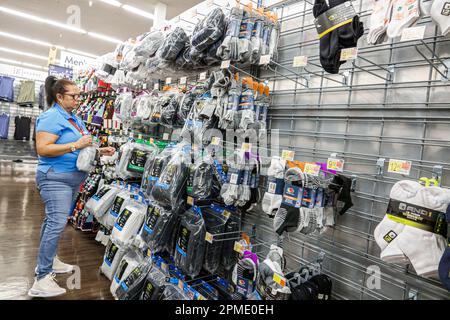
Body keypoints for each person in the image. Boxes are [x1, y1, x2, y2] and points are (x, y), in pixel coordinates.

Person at [28, 76, 115, 298]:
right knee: (56, 224)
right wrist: (76, 144)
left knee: (53, 222)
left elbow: (80, 146)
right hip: (55, 178)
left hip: (71, 179)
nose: (78, 99)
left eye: (79, 95)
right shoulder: (51, 117)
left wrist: (98, 150)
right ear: (59, 96)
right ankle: (41, 278)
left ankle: (50, 260)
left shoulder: (73, 117)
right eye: (73, 96)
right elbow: (44, 149)